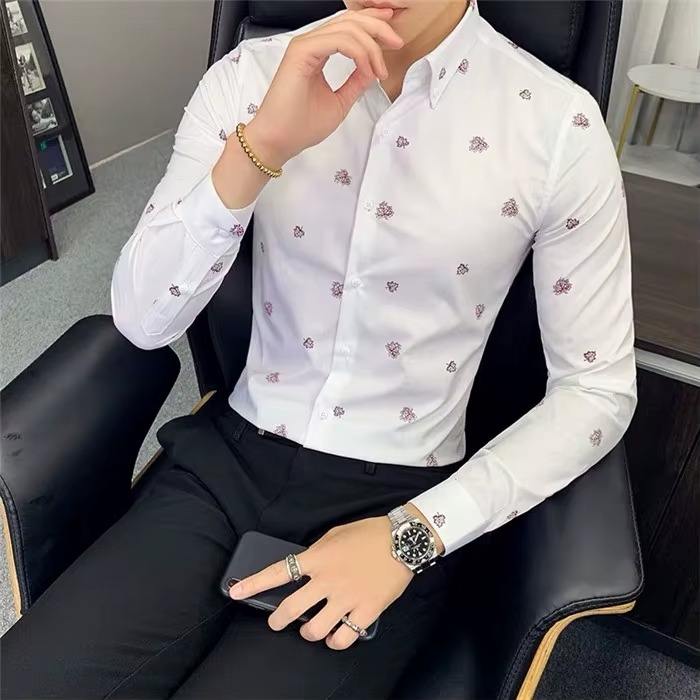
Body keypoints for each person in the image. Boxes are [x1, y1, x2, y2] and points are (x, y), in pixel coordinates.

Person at [1, 0, 637, 697]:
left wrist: (412, 536)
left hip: (399, 496)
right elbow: (141, 320)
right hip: (226, 461)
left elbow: (596, 389)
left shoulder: (557, 125)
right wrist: (261, 148)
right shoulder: (249, 77)